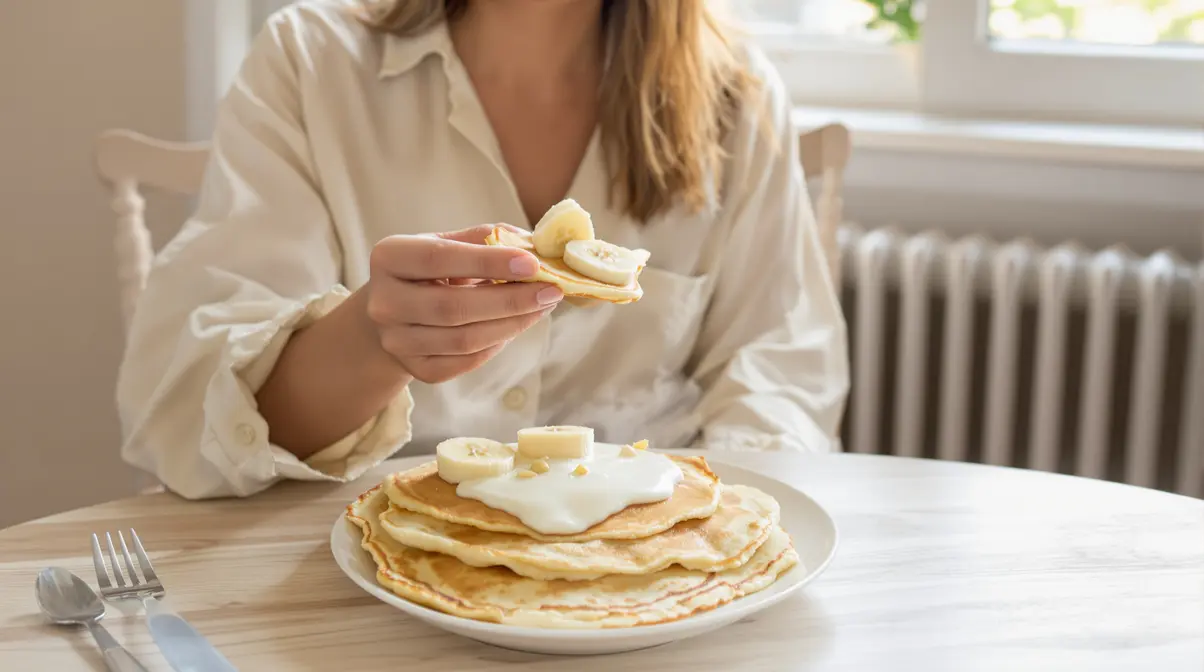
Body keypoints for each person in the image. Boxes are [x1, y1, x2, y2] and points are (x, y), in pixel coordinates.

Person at [116, 0, 849, 499]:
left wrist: (693, 535)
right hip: (366, 575)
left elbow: (778, 377)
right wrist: (374, 340)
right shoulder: (309, 64)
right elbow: (187, 416)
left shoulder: (739, 99)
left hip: (659, 585)